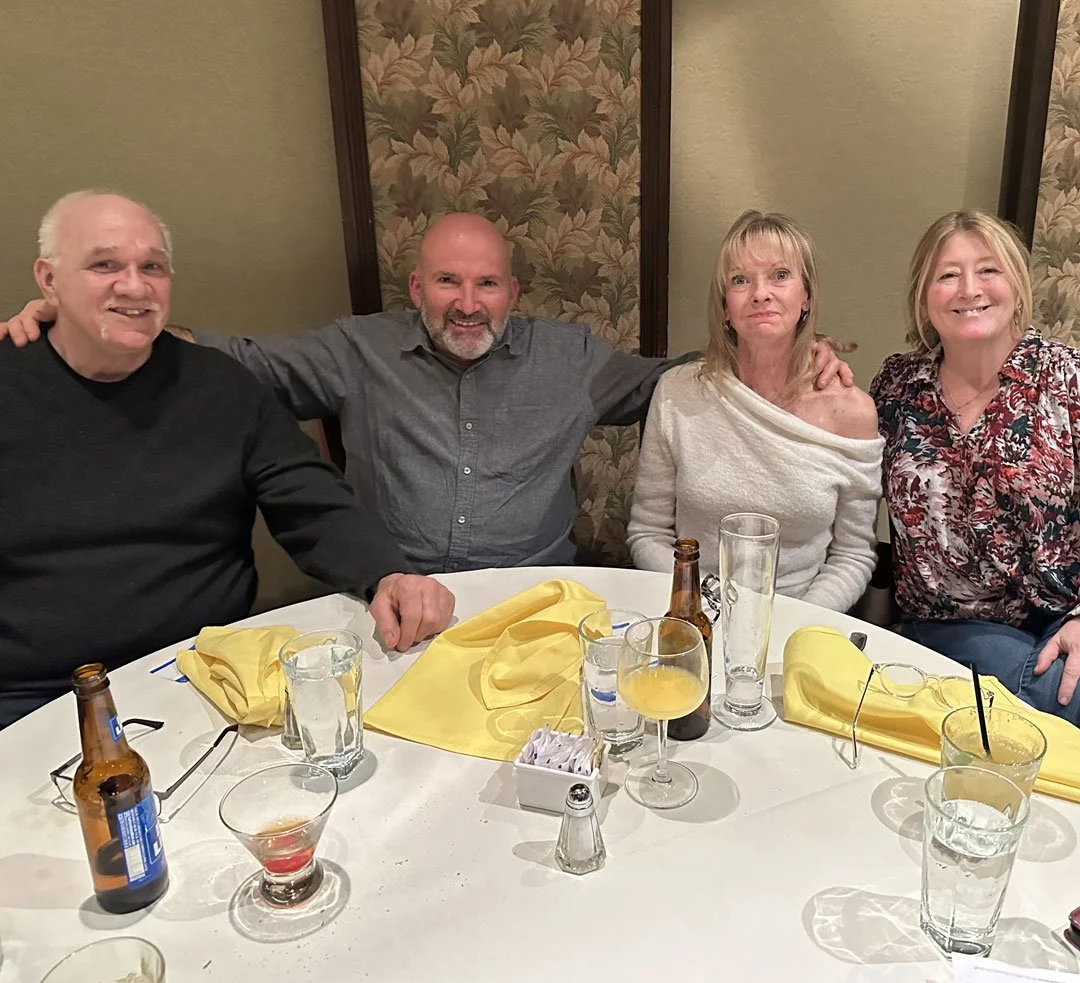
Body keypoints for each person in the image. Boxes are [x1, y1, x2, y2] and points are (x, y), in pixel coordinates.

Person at [1, 212, 852, 574]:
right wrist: (99, 319)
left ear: (513, 292)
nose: (468, 303)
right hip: (394, 597)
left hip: (537, 597)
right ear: (417, 285)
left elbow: (691, 381)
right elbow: (242, 360)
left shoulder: (573, 359)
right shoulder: (354, 349)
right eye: (448, 281)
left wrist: (798, 359)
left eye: (487, 284)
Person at [0, 191, 453, 728]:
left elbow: (311, 500)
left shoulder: (222, 386)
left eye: (153, 267)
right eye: (104, 264)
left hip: (204, 674)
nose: (134, 285)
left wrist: (386, 574)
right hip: (33, 698)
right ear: (48, 280)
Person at [871, 210, 1080, 724]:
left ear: (1017, 283)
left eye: (988, 270)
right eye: (947, 275)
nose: (969, 289)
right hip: (944, 631)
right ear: (925, 295)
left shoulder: (1066, 380)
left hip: (1059, 622)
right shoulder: (896, 387)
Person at [628, 210, 882, 612]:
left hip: (803, 619)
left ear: (806, 298)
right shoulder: (678, 392)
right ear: (726, 307)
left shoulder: (852, 413)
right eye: (741, 280)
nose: (760, 293)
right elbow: (647, 533)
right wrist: (702, 604)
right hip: (693, 612)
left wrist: (795, 623)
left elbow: (853, 555)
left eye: (780, 275)